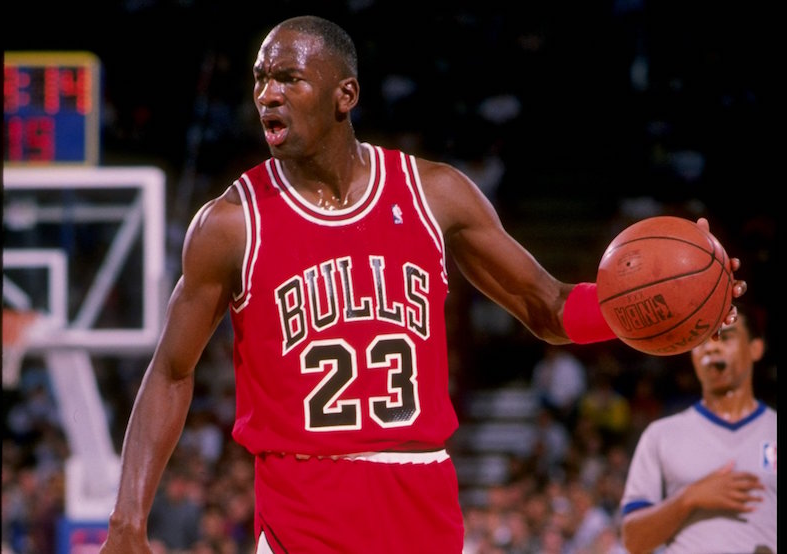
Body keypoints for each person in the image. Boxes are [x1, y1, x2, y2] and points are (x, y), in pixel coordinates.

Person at [99, 15, 746, 554]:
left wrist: (664, 304)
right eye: (261, 79)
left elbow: (546, 306)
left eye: (289, 78)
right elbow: (172, 371)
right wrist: (129, 516)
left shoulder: (434, 194)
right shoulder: (230, 224)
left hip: (423, 504)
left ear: (343, 95)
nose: (267, 93)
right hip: (302, 511)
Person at [620, 302, 775, 554]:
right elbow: (633, 541)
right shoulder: (660, 435)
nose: (712, 347)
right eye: (701, 340)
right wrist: (689, 497)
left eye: (725, 337)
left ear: (755, 348)